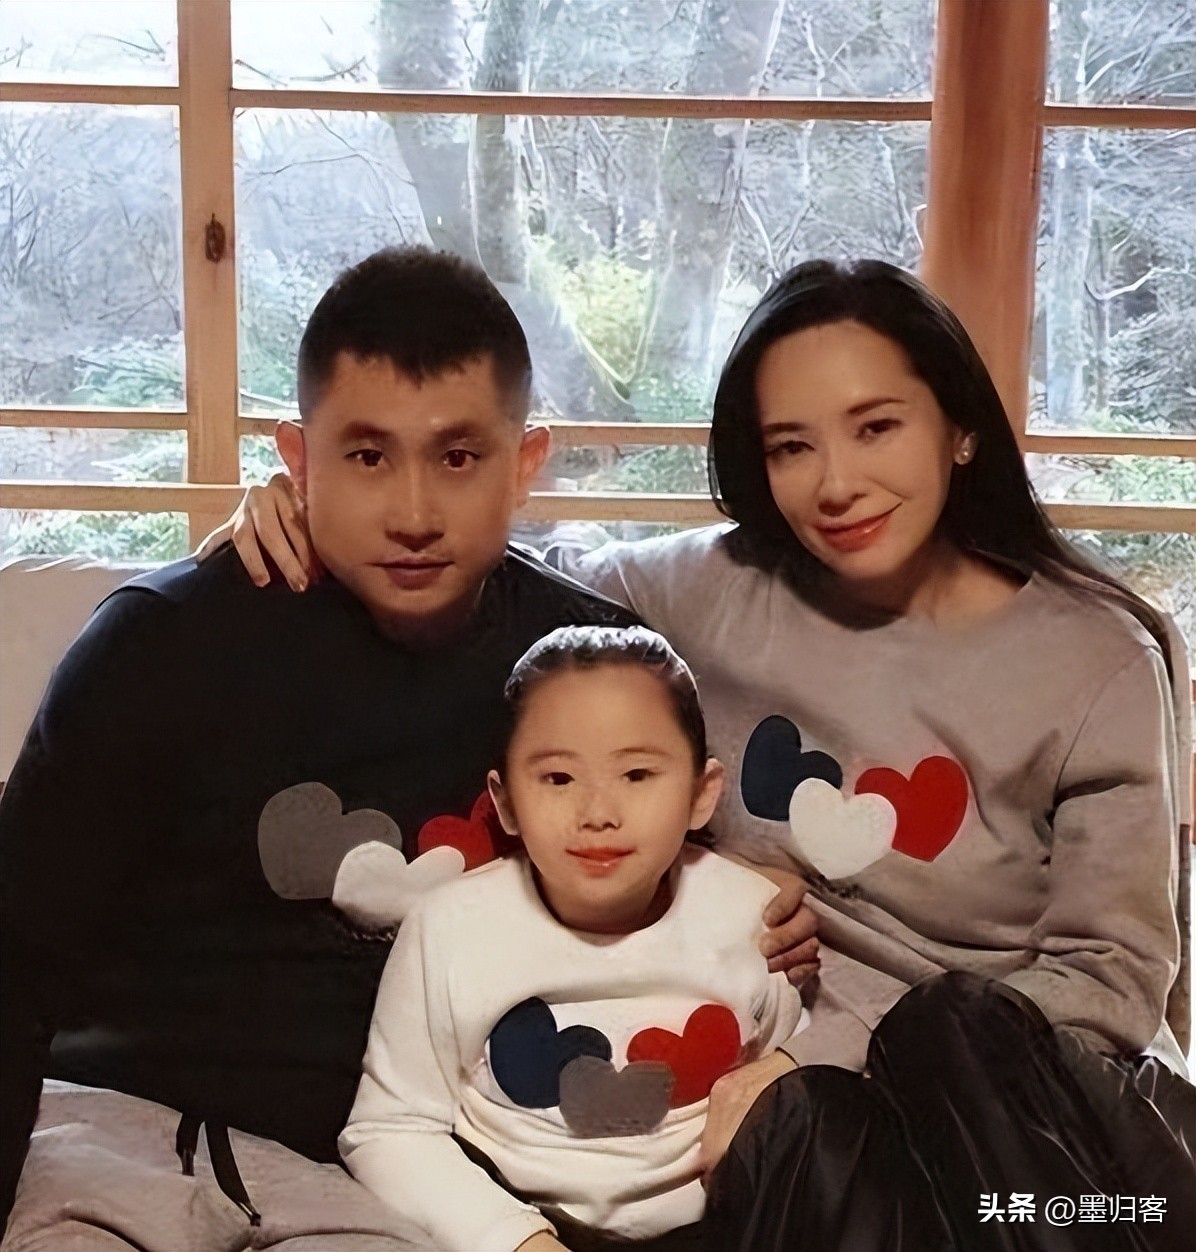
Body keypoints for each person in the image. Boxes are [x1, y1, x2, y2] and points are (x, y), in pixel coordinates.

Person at [215, 258, 1194, 1250]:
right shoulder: (703, 595)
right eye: (790, 446)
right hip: (811, 1113)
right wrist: (307, 509)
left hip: (1033, 1122)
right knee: (795, 1137)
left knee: (940, 1026)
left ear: (961, 428)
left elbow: (1112, 979)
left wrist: (845, 1054)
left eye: (875, 427)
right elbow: (481, 568)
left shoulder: (1097, 654)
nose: (836, 483)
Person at [0, 245, 818, 1247]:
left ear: (525, 464)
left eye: (459, 457)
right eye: (366, 456)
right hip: (126, 1127)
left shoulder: (585, 668)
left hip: (396, 1177)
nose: (415, 514)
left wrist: (756, 910)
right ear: (298, 459)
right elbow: (16, 955)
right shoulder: (161, 642)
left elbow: (676, 882)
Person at [340, 625, 806, 1252]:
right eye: (558, 779)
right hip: (521, 1222)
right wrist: (516, 1239)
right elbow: (388, 1129)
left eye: (637, 774)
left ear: (702, 794)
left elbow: (797, 1085)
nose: (597, 814)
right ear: (506, 803)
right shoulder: (448, 926)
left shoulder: (751, 913)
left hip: (727, 1223)